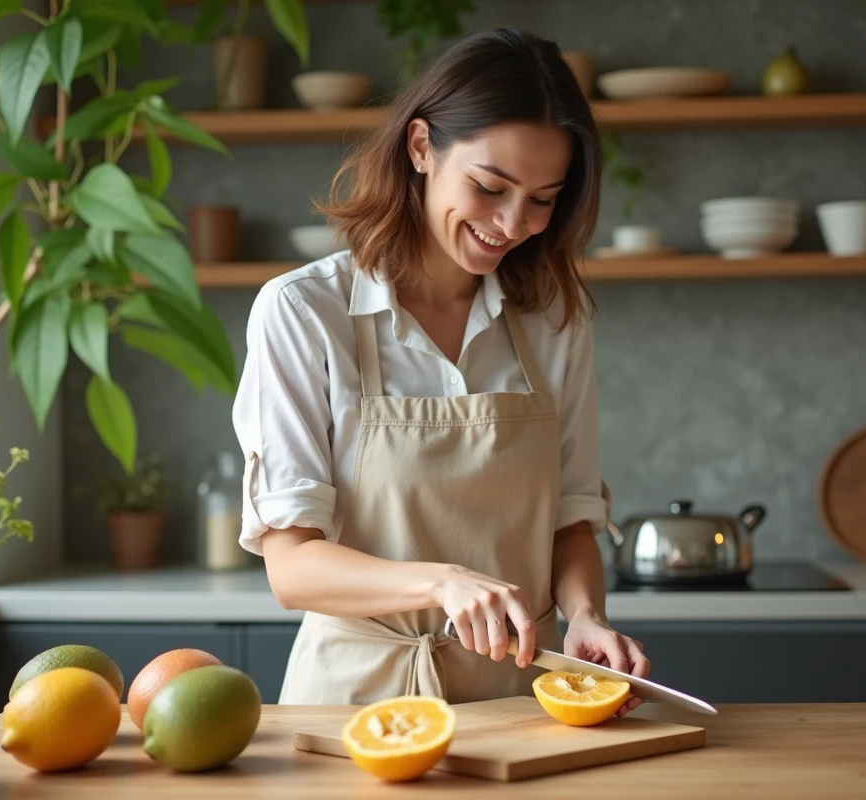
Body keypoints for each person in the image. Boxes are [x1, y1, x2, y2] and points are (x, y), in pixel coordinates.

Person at [232, 26, 650, 716]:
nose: (513, 223)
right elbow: (293, 566)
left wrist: (583, 617)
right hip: (355, 707)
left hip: (521, 704)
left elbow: (570, 520)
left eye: (543, 199)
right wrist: (443, 583)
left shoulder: (553, 320)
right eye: (491, 187)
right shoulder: (305, 313)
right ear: (421, 147)